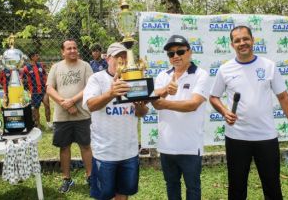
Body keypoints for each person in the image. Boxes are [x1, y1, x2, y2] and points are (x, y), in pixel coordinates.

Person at [209, 25, 288, 200]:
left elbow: (283, 97)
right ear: (232, 44)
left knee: (272, 187)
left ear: (253, 40)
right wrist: (224, 111)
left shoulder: (269, 66)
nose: (242, 43)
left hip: (266, 137)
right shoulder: (225, 69)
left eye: (245, 39)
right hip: (236, 137)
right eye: (237, 40)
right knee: (236, 188)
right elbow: (213, 97)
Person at [83, 42, 148, 200]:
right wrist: (111, 93)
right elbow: (90, 105)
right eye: (118, 57)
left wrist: (139, 106)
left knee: (123, 193)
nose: (122, 60)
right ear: (108, 58)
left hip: (129, 150)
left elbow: (142, 113)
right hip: (105, 152)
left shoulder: (135, 79)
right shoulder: (97, 79)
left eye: (125, 57)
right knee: (104, 195)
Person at [151, 35, 209, 200]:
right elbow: (155, 102)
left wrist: (164, 103)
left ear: (189, 52)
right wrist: (164, 90)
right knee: (172, 186)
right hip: (166, 145)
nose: (176, 56)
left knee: (193, 189)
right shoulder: (163, 75)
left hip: (190, 146)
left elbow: (193, 104)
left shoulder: (200, 74)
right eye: (171, 54)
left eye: (180, 51)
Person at [46, 38, 93, 193]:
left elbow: (90, 87)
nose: (73, 50)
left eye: (74, 47)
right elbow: (49, 89)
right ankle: (67, 179)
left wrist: (72, 101)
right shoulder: (56, 67)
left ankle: (90, 177)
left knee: (85, 146)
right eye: (69, 48)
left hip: (82, 115)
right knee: (64, 147)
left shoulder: (85, 66)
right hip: (62, 116)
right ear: (63, 51)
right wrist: (64, 103)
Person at [21, 51, 51, 128]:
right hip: (34, 92)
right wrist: (26, 82)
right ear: (32, 57)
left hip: (44, 90)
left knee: (47, 105)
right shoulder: (26, 68)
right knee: (36, 108)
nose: (38, 57)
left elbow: (45, 75)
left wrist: (47, 83)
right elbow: (21, 79)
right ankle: (38, 124)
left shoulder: (41, 65)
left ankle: (49, 123)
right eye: (36, 55)